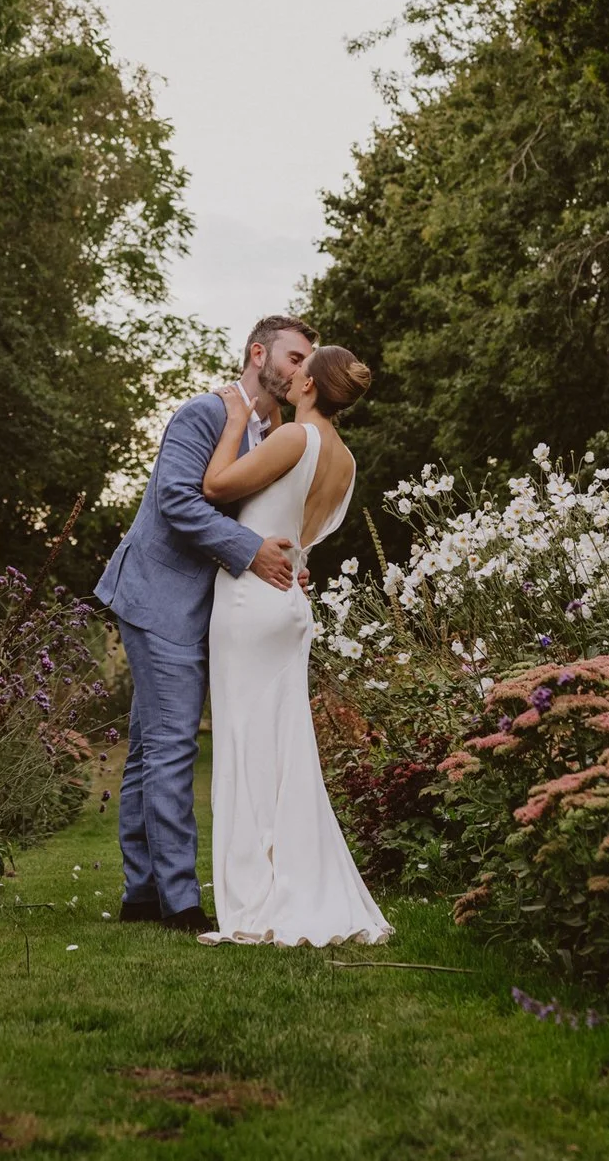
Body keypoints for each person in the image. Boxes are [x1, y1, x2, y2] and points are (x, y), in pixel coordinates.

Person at [94, 314, 313, 933]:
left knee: (147, 751)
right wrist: (251, 552)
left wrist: (286, 559)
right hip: (160, 596)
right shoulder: (204, 414)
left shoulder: (272, 433)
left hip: (201, 605)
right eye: (294, 358)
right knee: (172, 747)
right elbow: (178, 502)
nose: (303, 372)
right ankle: (181, 903)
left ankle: (143, 895)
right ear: (257, 354)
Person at [192, 342, 391, 946]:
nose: (292, 374)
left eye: (300, 368)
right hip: (291, 603)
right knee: (285, 749)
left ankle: (255, 898)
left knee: (244, 744)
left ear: (309, 386)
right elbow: (301, 535)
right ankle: (298, 883)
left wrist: (232, 423)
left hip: (252, 602)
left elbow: (216, 486)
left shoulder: (295, 439)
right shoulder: (346, 461)